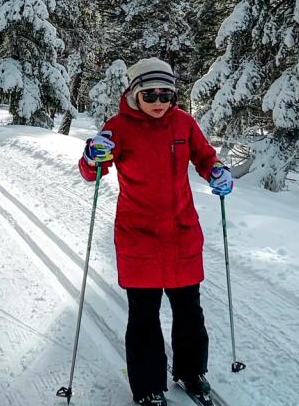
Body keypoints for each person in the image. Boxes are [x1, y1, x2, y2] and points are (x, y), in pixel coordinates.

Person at [78, 57, 234, 406]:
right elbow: (93, 172)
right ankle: (148, 386)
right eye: (151, 95)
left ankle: (191, 371)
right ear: (134, 94)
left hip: (181, 233)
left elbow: (206, 158)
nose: (160, 102)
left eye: (167, 95)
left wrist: (218, 172)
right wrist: (92, 156)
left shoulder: (184, 123)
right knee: (144, 316)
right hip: (138, 236)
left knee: (189, 312)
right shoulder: (117, 127)